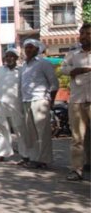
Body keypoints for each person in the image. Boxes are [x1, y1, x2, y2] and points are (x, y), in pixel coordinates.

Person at [20, 38, 59, 169]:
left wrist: (50, 100)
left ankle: (43, 159)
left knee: (43, 132)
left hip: (41, 99)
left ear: (37, 49)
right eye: (26, 47)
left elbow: (54, 83)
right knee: (30, 133)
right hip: (27, 100)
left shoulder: (43, 63)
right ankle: (34, 158)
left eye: (31, 47)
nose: (28, 50)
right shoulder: (24, 65)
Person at [61, 23, 91, 181]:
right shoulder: (73, 54)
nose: (84, 36)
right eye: (82, 33)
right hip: (77, 100)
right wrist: (75, 71)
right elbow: (63, 68)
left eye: (88, 33)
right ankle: (76, 170)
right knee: (77, 137)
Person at [0, 48, 27, 163]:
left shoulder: (22, 70)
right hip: (2, 104)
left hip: (17, 105)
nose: (9, 58)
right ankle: (1, 153)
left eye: (11, 56)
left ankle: (25, 155)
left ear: (17, 58)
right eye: (7, 56)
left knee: (20, 129)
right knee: (2, 129)